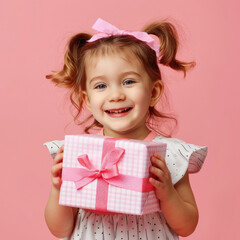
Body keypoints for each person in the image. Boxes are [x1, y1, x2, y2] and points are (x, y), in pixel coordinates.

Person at [44, 18, 207, 240]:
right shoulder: (82, 155)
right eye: (101, 86)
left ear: (153, 92)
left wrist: (167, 193)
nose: (116, 95)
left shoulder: (167, 154)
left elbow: (186, 227)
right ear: (88, 100)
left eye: (128, 82)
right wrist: (57, 189)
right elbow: (60, 229)